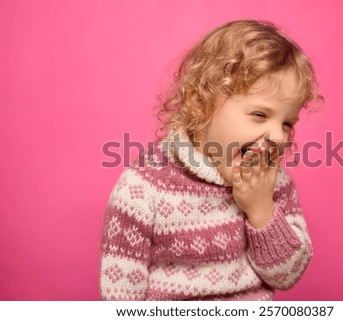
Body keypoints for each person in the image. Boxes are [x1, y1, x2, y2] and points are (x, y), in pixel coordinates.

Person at [99, 19, 321, 300]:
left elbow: (287, 276)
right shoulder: (143, 187)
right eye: (260, 115)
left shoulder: (275, 184)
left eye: (288, 123)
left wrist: (262, 210)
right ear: (203, 104)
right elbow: (120, 295)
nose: (278, 136)